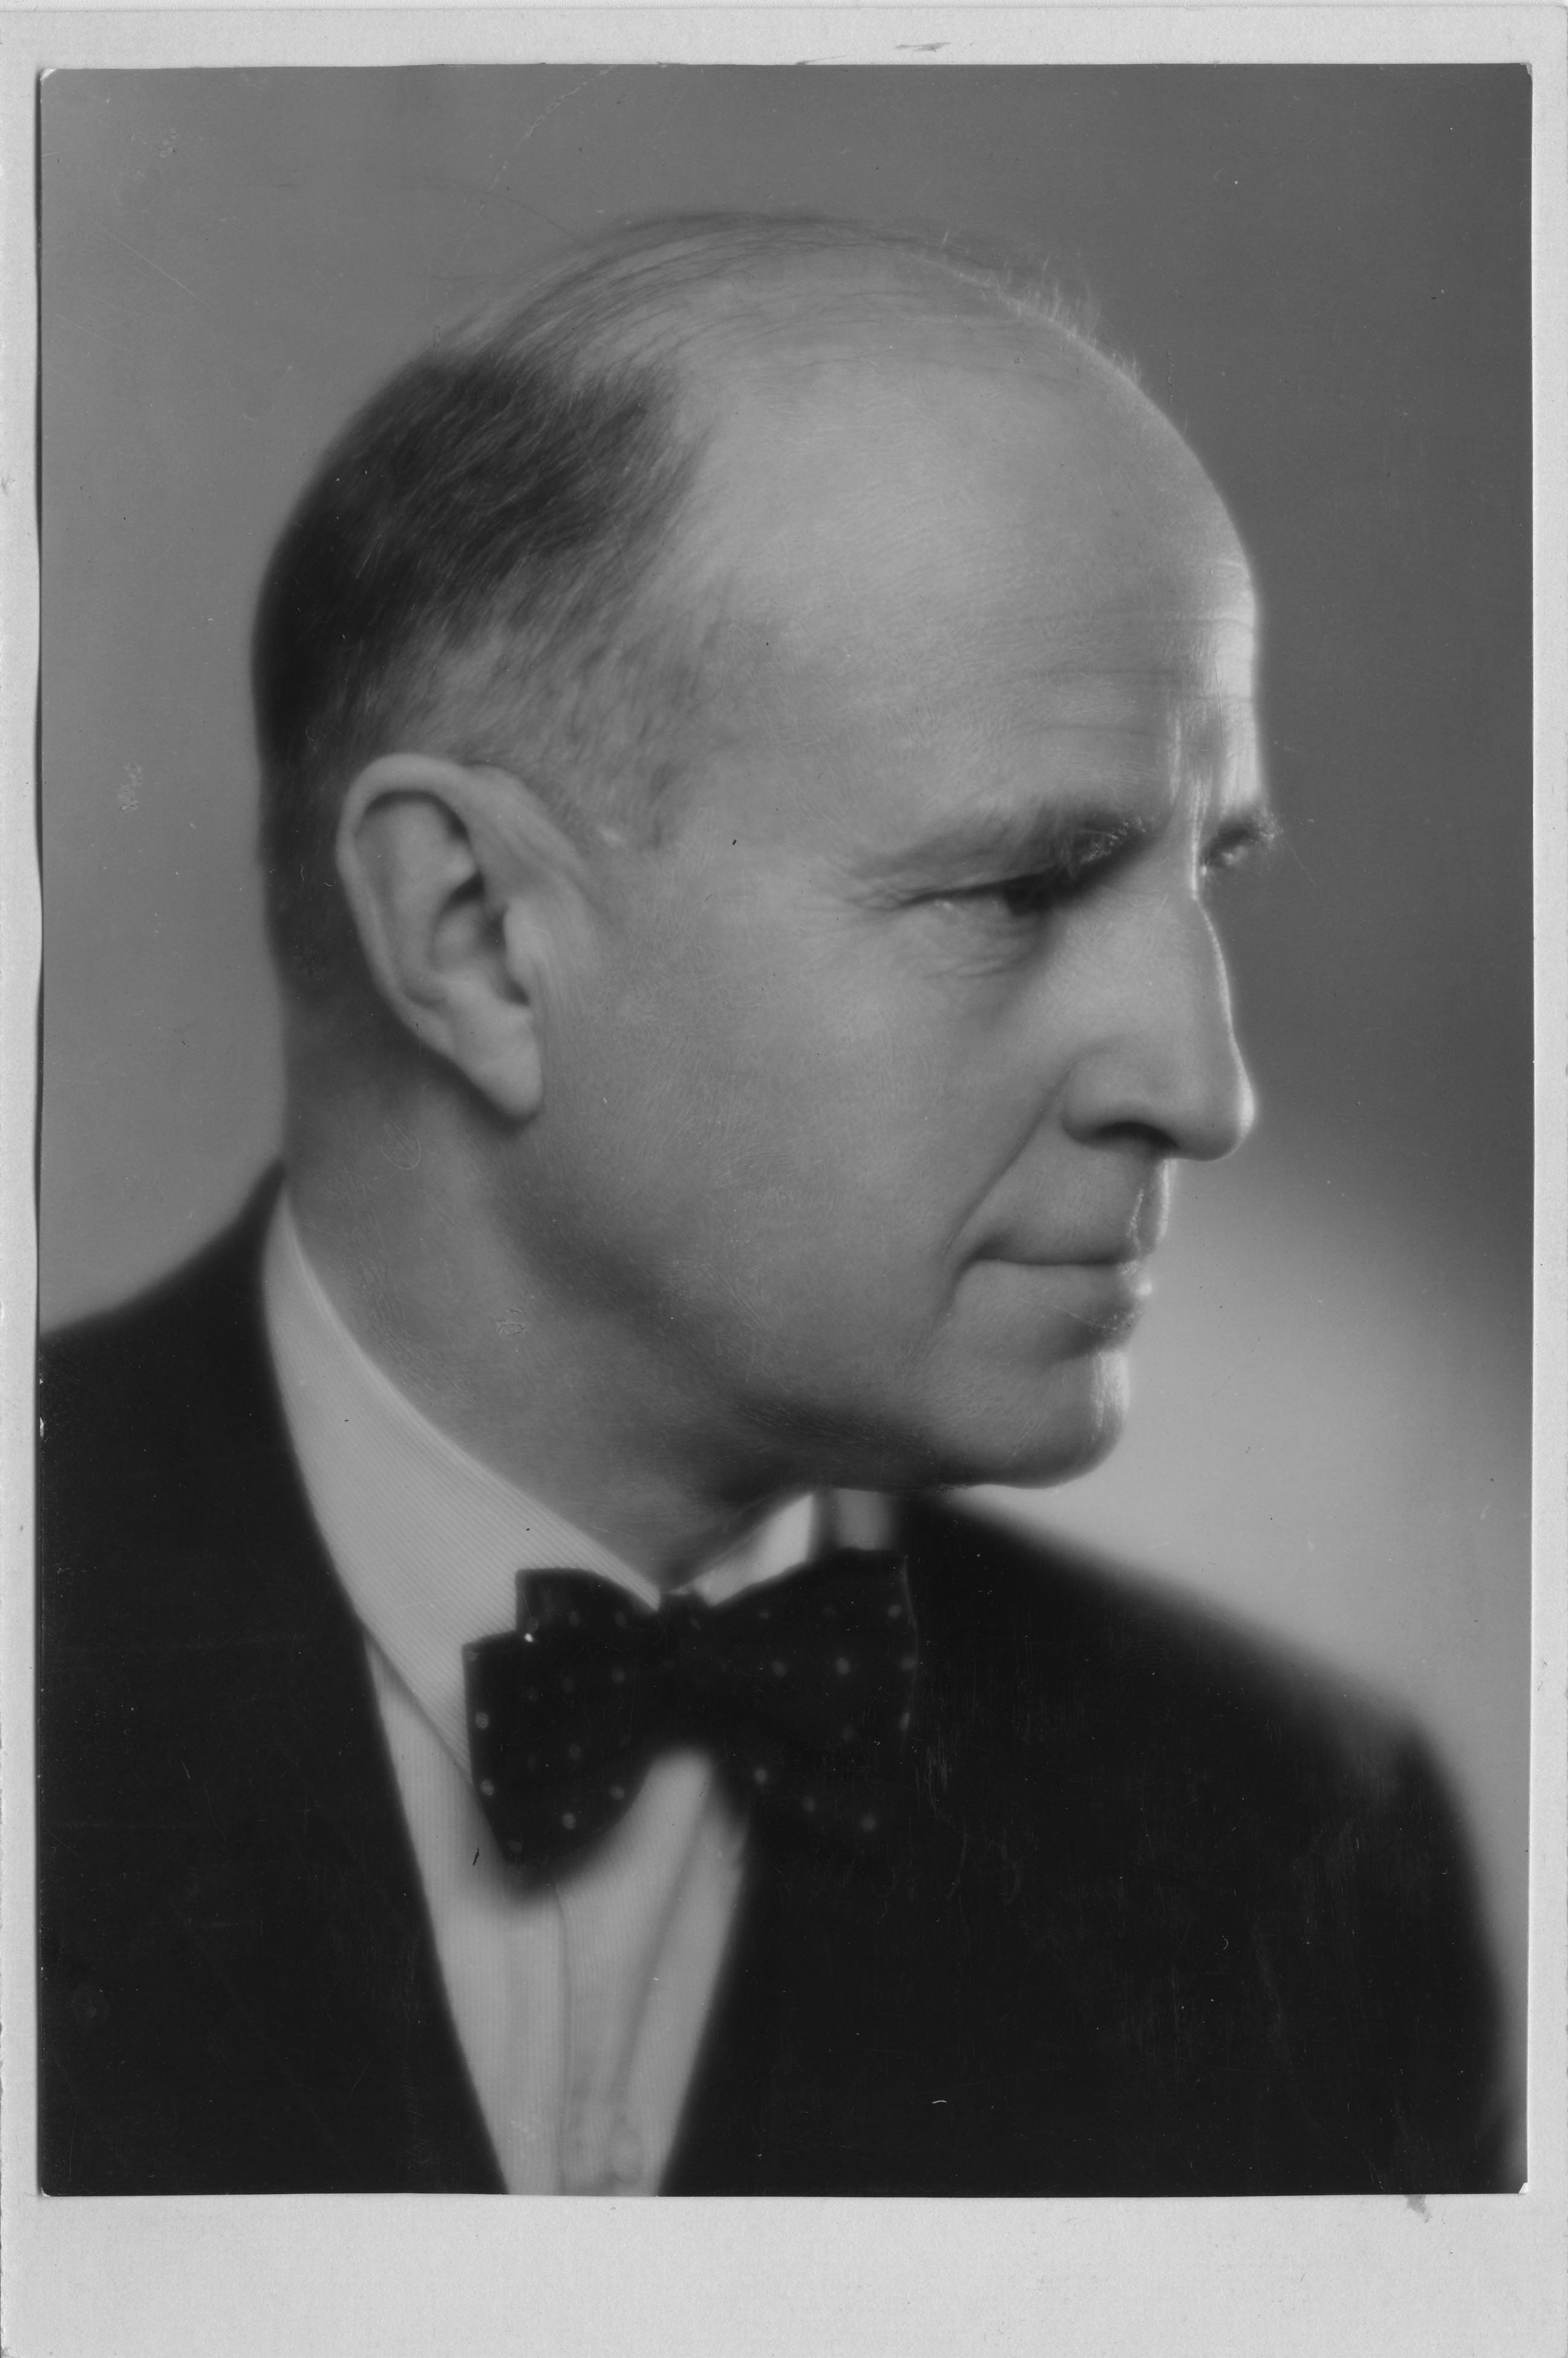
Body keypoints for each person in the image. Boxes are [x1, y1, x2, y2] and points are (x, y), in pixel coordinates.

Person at [36, 214, 1511, 2195]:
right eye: (1018, 890)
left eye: (1206, 871)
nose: (1204, 1086)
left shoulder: (1302, 1845)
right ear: (476, 936)